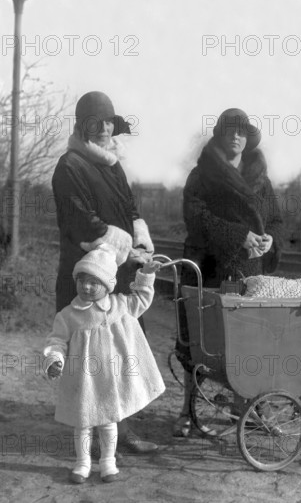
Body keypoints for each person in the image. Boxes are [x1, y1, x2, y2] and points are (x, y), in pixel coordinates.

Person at [51, 91, 157, 452]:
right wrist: (123, 242)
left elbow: (129, 207)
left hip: (120, 274)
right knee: (89, 359)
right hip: (88, 277)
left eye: (109, 122)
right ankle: (90, 436)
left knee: (121, 352)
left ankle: (119, 430)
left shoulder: (112, 164)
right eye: (96, 123)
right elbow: (82, 222)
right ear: (83, 127)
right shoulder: (70, 166)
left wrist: (138, 235)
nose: (104, 129)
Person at [173, 108, 283, 436]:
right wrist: (238, 235)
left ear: (248, 138)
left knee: (247, 339)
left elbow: (276, 219)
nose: (236, 136)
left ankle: (245, 407)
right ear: (220, 134)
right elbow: (195, 217)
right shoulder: (202, 175)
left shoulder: (261, 179)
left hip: (248, 270)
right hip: (209, 268)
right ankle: (187, 410)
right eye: (230, 130)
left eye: (242, 131)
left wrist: (269, 240)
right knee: (200, 341)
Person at [43, 246, 165, 484]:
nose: (87, 287)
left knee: (109, 422)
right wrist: (54, 359)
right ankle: (82, 463)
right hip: (83, 380)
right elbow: (56, 340)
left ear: (108, 285)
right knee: (83, 424)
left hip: (110, 380)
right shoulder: (69, 315)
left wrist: (146, 274)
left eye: (94, 282)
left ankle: (108, 461)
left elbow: (141, 298)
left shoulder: (119, 305)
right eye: (82, 281)